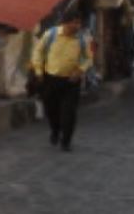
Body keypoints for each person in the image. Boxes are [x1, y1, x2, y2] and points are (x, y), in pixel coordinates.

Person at [32, 11, 92, 152]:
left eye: (79, 23)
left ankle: (66, 141)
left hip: (71, 82)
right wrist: (39, 71)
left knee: (69, 112)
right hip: (50, 79)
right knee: (51, 109)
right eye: (75, 23)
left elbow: (88, 57)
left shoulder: (82, 39)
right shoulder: (50, 35)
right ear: (65, 23)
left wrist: (80, 70)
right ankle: (55, 130)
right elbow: (38, 52)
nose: (77, 26)